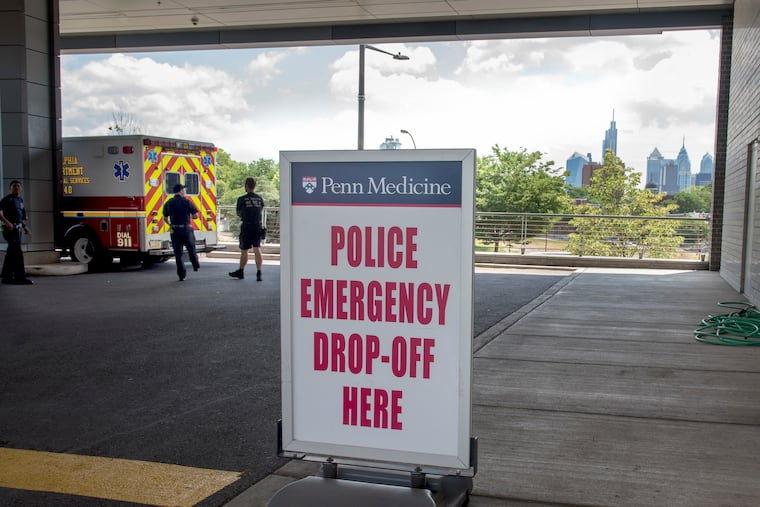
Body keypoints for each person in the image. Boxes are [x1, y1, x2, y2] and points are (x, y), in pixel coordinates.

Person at [162, 183, 200, 281]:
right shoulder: (187, 202)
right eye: (183, 189)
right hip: (186, 229)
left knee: (178, 254)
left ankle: (181, 275)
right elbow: (195, 216)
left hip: (175, 230)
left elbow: (165, 218)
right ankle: (195, 265)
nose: (184, 191)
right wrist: (189, 216)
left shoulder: (169, 203)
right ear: (181, 191)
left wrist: (170, 224)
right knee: (191, 249)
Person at [229, 176, 264, 281]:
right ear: (254, 186)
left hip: (247, 226)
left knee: (244, 250)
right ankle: (259, 272)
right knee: (257, 248)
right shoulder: (259, 198)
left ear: (246, 186)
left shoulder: (241, 199)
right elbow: (260, 210)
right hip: (258, 226)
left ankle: (241, 271)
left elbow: (239, 213)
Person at [1, 180, 33, 285]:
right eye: (14, 186)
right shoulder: (6, 199)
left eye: (18, 186)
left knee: (12, 252)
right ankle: (18, 276)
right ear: (10, 188)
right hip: (8, 229)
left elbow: (21, 216)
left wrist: (25, 227)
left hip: (18, 229)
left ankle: (7, 276)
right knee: (16, 252)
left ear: (21, 188)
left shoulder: (20, 200)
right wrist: (7, 222)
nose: (17, 188)